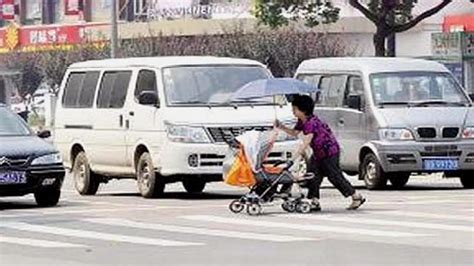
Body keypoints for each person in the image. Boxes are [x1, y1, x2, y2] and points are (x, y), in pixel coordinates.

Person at [275, 95, 366, 211]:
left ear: (303, 110)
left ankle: (356, 196)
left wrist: (293, 158)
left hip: (329, 152)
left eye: (295, 109)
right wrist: (281, 127)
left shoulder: (311, 123)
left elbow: (306, 142)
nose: (293, 111)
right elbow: (294, 133)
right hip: (318, 153)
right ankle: (314, 201)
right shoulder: (302, 120)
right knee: (313, 175)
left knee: (335, 176)